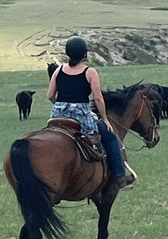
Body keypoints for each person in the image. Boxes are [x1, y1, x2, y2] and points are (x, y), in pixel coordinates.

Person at [46, 36, 135, 189]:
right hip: (81, 115)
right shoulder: (90, 72)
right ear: (84, 54)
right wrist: (106, 120)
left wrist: (61, 106)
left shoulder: (58, 70)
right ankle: (119, 177)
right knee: (111, 138)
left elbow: (50, 95)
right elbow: (98, 98)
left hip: (58, 114)